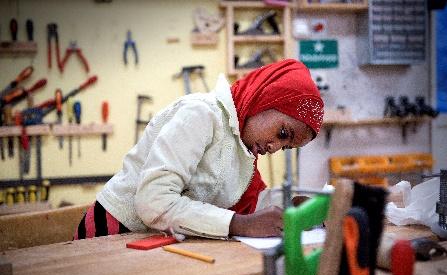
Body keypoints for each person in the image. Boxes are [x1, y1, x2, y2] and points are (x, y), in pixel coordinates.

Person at [74, 58, 324, 240]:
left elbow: (246, 203)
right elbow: (153, 201)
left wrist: (290, 204)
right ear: (265, 97)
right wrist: (239, 225)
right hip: (114, 234)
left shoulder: (242, 146)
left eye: (286, 147)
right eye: (282, 134)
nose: (275, 146)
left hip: (154, 240)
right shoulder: (201, 114)